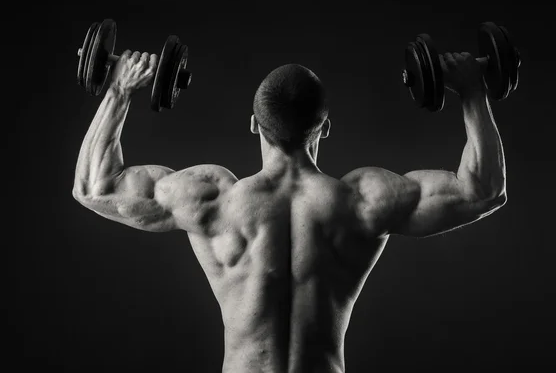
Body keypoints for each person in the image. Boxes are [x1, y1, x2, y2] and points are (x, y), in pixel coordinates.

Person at [73, 49, 507, 373]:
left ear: (253, 124)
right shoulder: (363, 201)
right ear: (325, 129)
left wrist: (118, 89)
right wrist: (472, 90)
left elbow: (95, 186)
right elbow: (483, 190)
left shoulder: (212, 199)